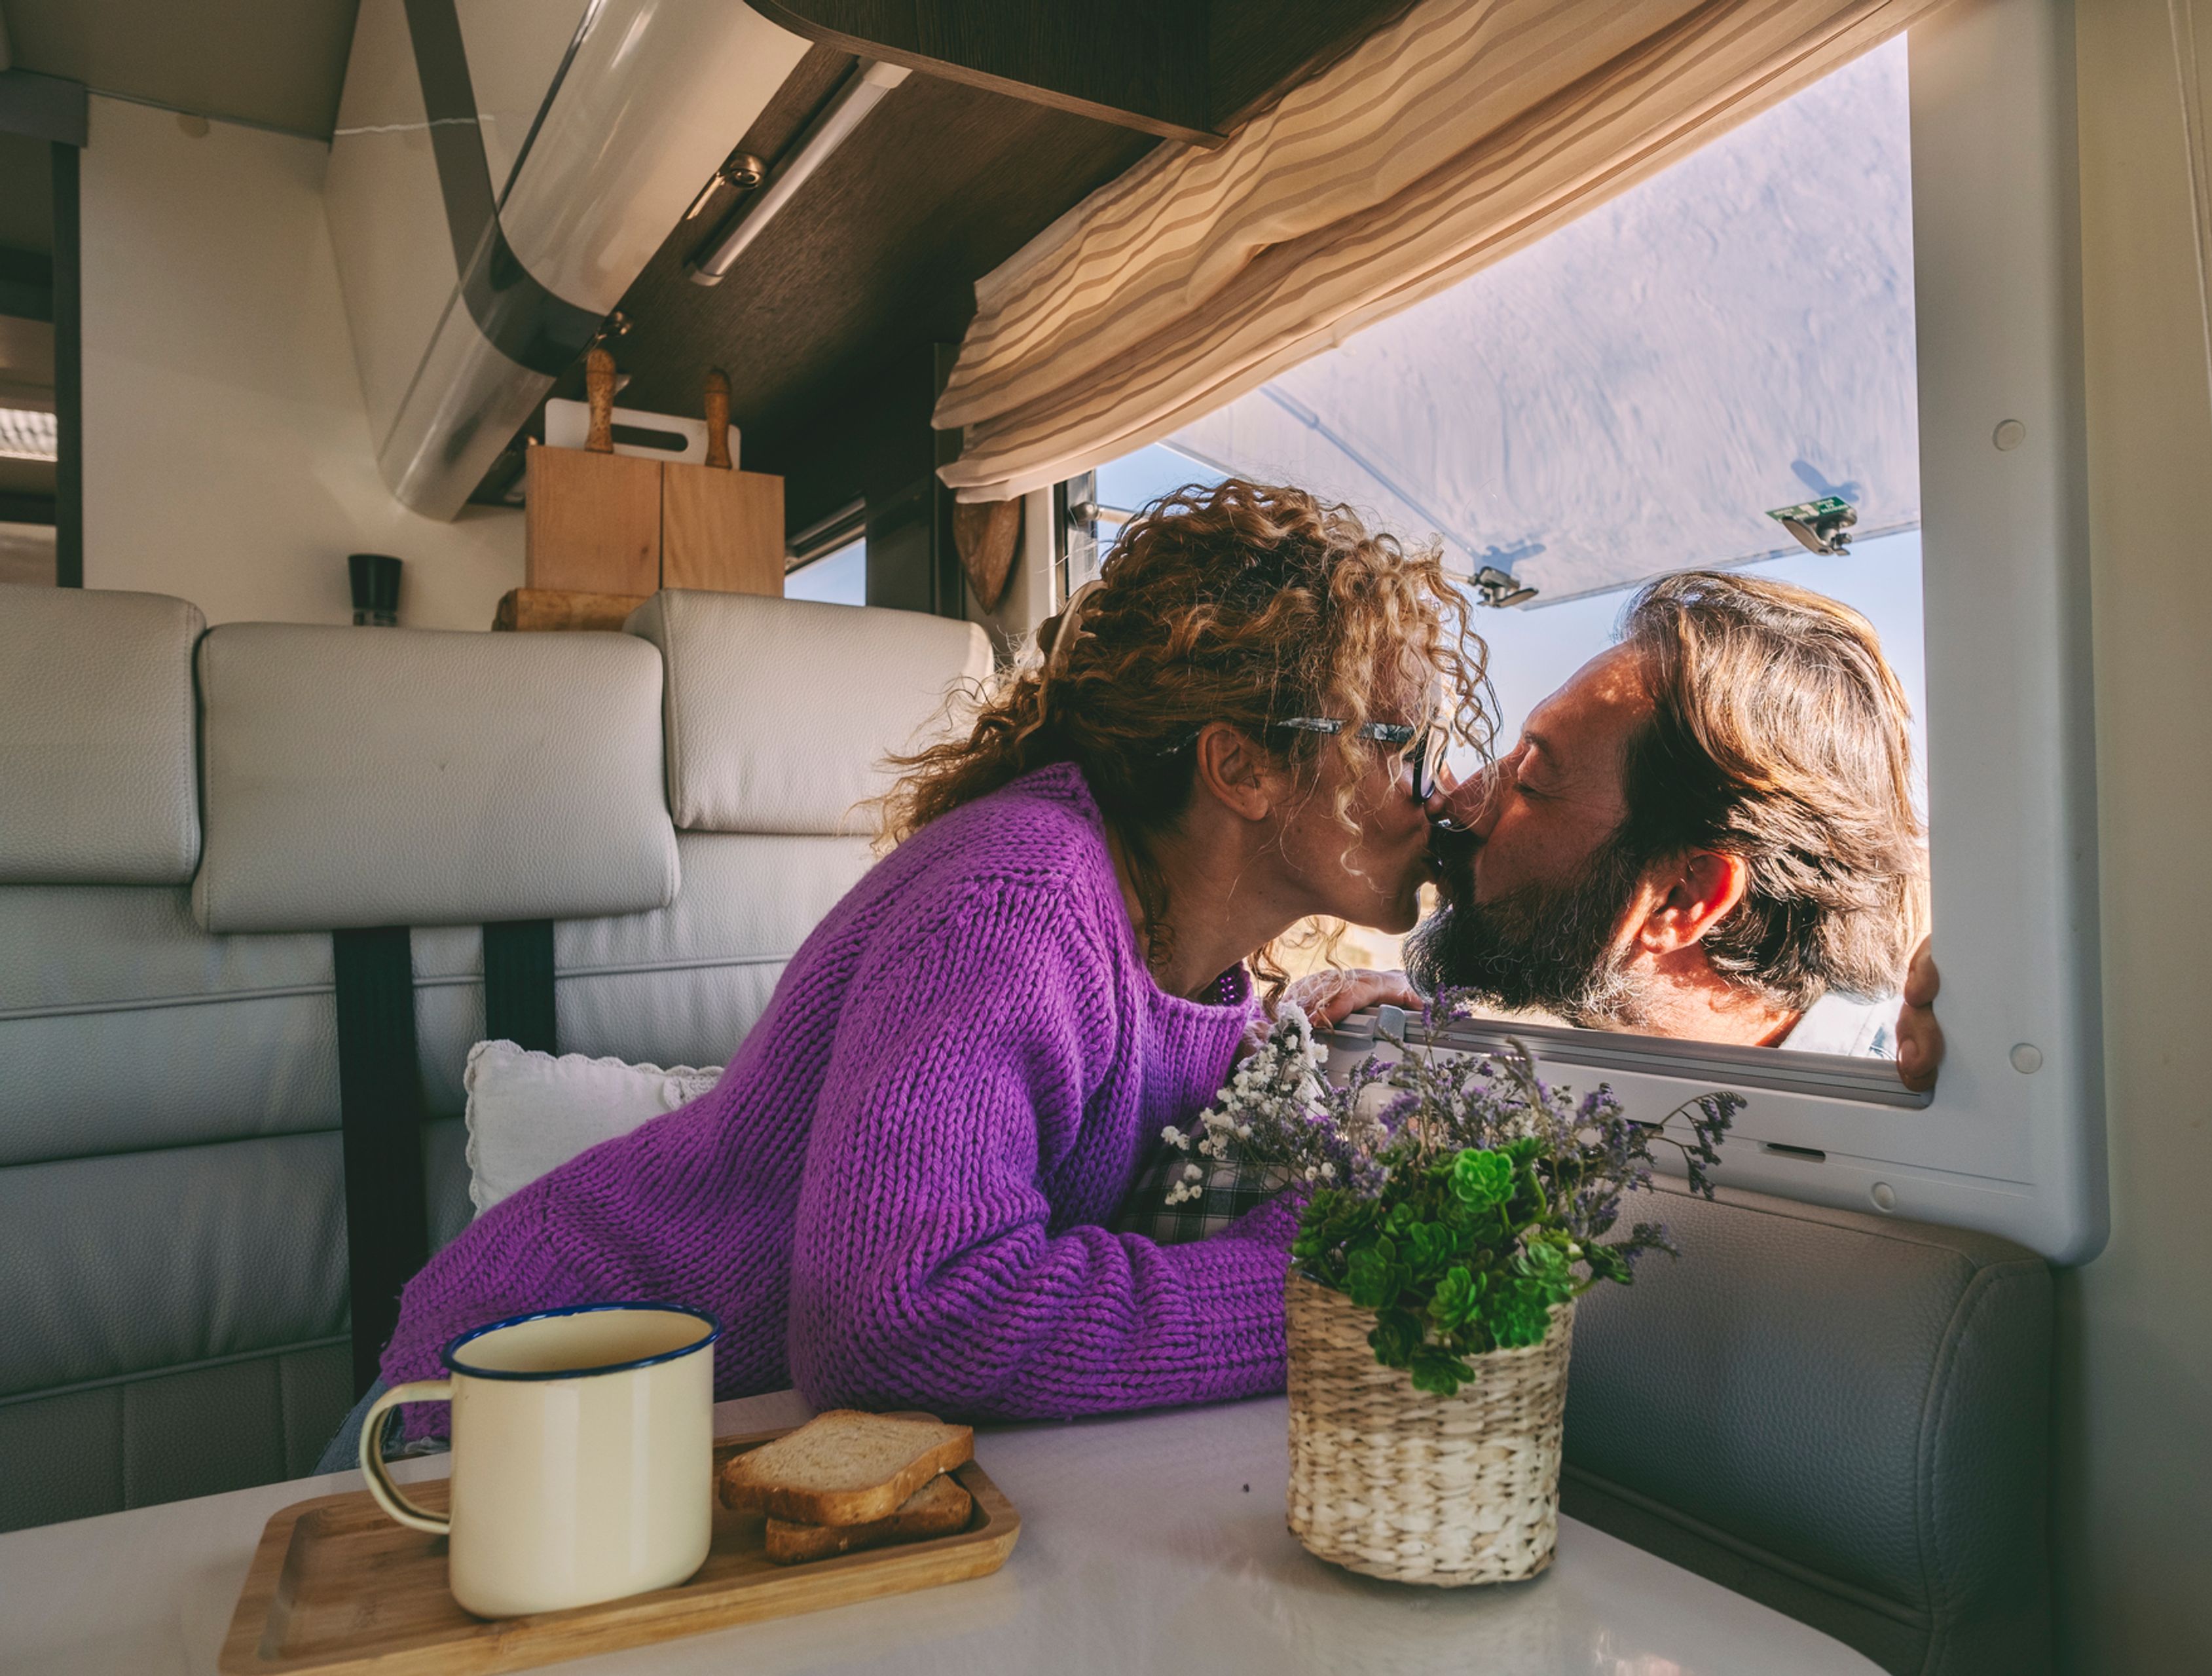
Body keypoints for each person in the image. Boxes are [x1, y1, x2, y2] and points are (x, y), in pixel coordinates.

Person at [335, 480, 1481, 1457]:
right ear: (1240, 764)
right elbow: (901, 1320)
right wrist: (1314, 1290)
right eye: (1395, 741)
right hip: (492, 1424)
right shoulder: (1016, 899)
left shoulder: (1186, 957)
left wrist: (1288, 1027)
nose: (1431, 789)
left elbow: (1110, 1088)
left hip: (687, 1444)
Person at [1409, 569, 1944, 1090]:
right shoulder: (1597, 1082)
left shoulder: (1940, 1117)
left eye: (1530, 780)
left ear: (1683, 896)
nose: (1459, 799)